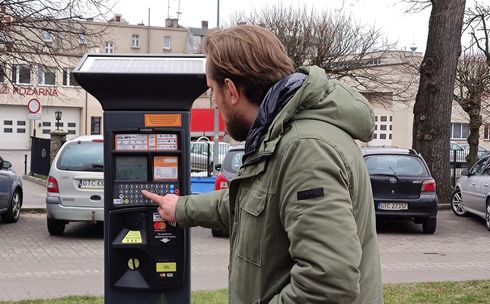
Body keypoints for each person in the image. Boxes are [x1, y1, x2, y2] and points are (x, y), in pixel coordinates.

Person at [143, 24, 383, 304]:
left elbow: (327, 283)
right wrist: (181, 208)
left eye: (212, 91)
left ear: (231, 90)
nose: (214, 103)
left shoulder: (305, 150)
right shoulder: (279, 136)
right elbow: (253, 204)